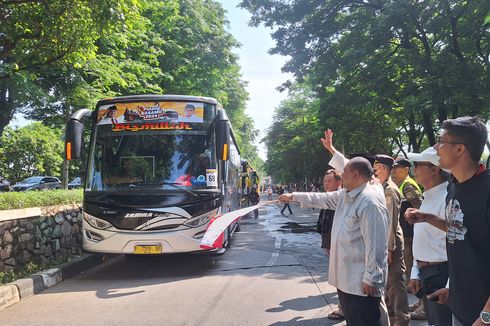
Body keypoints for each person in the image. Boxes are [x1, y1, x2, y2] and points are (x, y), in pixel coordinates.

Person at [279, 157, 389, 326]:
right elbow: (322, 199)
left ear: (356, 174)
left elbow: (377, 244)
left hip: (361, 284)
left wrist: (372, 278)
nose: (341, 177)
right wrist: (293, 196)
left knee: (365, 320)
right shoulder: (347, 194)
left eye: (344, 173)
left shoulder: (369, 201)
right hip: (347, 280)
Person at [405, 116, 490, 326]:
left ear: (460, 149)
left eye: (441, 141)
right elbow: (460, 231)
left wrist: (486, 316)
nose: (436, 147)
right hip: (460, 304)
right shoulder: (454, 186)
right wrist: (428, 218)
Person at [405, 147, 452, 326]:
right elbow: (425, 240)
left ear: (435, 169)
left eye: (418, 165)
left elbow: (458, 244)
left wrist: (449, 285)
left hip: (443, 274)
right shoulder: (428, 197)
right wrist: (416, 272)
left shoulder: (448, 197)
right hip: (428, 275)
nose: (413, 169)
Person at [374, 155, 410, 326]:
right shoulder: (381, 186)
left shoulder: (389, 190)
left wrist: (389, 248)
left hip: (392, 242)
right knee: (388, 283)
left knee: (395, 282)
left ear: (382, 168)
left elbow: (391, 222)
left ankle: (402, 319)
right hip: (385, 242)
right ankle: (392, 317)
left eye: (376, 168)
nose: (374, 172)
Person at [392, 157, 423, 287]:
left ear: (406, 169)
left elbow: (419, 206)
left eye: (396, 168)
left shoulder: (408, 185)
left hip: (410, 231)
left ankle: (412, 285)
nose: (393, 170)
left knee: (409, 257)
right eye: (393, 168)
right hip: (405, 229)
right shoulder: (400, 184)